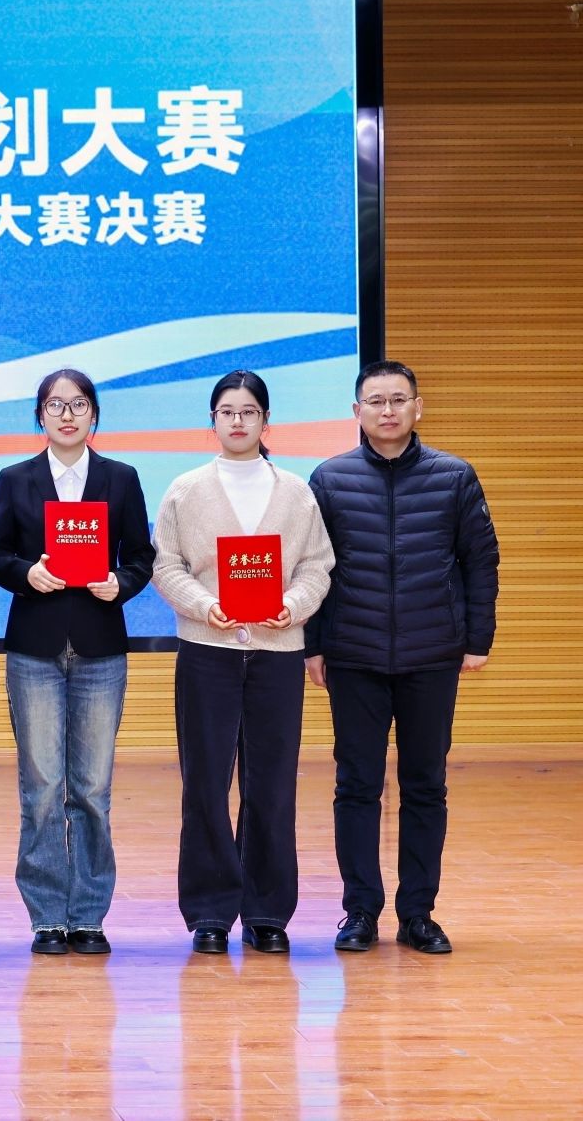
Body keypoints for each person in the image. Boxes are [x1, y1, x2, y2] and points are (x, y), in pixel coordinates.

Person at [306, 359, 499, 955]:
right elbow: (311, 568)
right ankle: (360, 910)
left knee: (425, 785)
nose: (387, 410)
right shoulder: (329, 479)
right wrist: (313, 645)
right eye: (375, 400)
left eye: (398, 399)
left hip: (432, 654)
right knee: (356, 786)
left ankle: (418, 914)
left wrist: (478, 639)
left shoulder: (454, 476)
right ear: (356, 411)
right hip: (354, 654)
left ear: (418, 407)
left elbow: (480, 561)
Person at [151, 371, 335, 955]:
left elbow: (317, 565)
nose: (237, 420)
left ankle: (267, 911)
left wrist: (293, 606)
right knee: (205, 783)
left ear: (265, 421)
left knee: (272, 784)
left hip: (278, 653)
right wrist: (204, 606)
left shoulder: (296, 492)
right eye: (227, 411)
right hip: (207, 651)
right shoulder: (185, 490)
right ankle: (209, 912)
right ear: (212, 420)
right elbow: (166, 566)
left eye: (248, 411)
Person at [0, 367, 155, 956]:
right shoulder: (16, 479)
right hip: (34, 648)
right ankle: (46, 916)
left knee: (92, 789)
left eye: (78, 404)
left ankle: (88, 915)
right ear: (40, 416)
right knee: (41, 787)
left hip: (100, 648)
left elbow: (141, 556)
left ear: (94, 414)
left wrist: (120, 583)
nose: (67, 414)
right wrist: (25, 573)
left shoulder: (121, 478)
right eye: (55, 405)